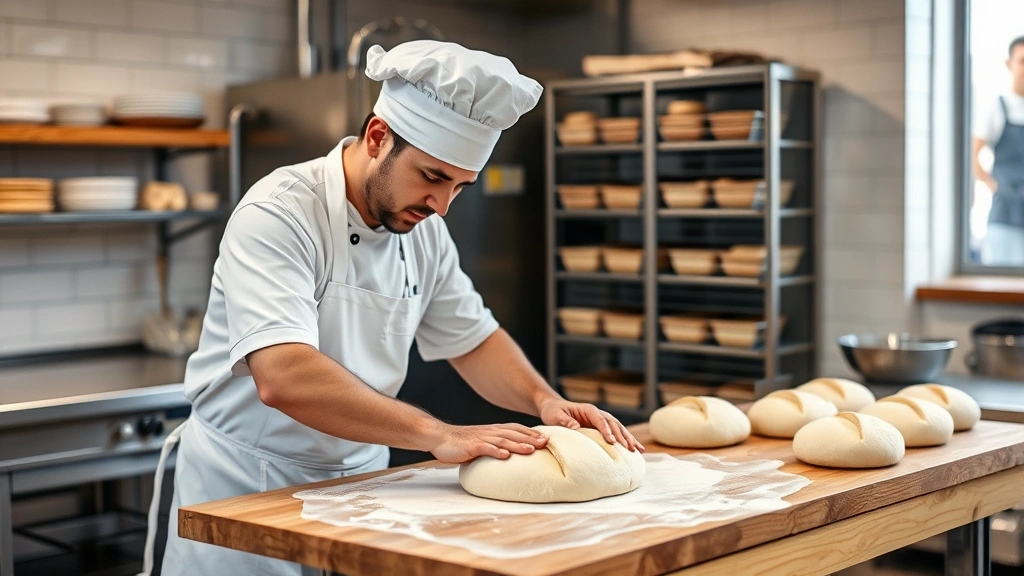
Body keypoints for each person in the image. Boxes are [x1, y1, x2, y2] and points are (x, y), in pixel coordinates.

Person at [140, 40, 644, 576]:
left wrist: (544, 401)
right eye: (431, 177)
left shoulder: (422, 230)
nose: (442, 207)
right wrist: (441, 435)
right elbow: (283, 375)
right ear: (379, 137)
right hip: (248, 490)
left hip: (362, 485)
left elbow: (472, 338)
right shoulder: (280, 212)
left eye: (460, 187)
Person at [974, 35, 1024, 265]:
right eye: (1022, 61)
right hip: (1005, 218)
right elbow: (972, 155)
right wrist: (993, 185)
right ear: (1009, 64)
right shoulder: (997, 107)